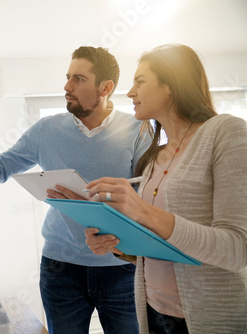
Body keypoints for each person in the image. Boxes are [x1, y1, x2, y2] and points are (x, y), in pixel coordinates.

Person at [0, 46, 151, 334]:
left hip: (122, 268)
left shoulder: (138, 129)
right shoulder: (46, 131)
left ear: (106, 87)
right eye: (67, 77)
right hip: (60, 269)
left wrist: (101, 208)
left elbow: (149, 196)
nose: (67, 86)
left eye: (78, 79)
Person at [50, 44, 247, 334]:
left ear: (171, 84)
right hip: (152, 312)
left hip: (207, 318)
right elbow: (160, 245)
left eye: (140, 82)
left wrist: (142, 210)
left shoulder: (226, 132)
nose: (130, 92)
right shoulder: (155, 156)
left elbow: (237, 250)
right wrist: (117, 244)